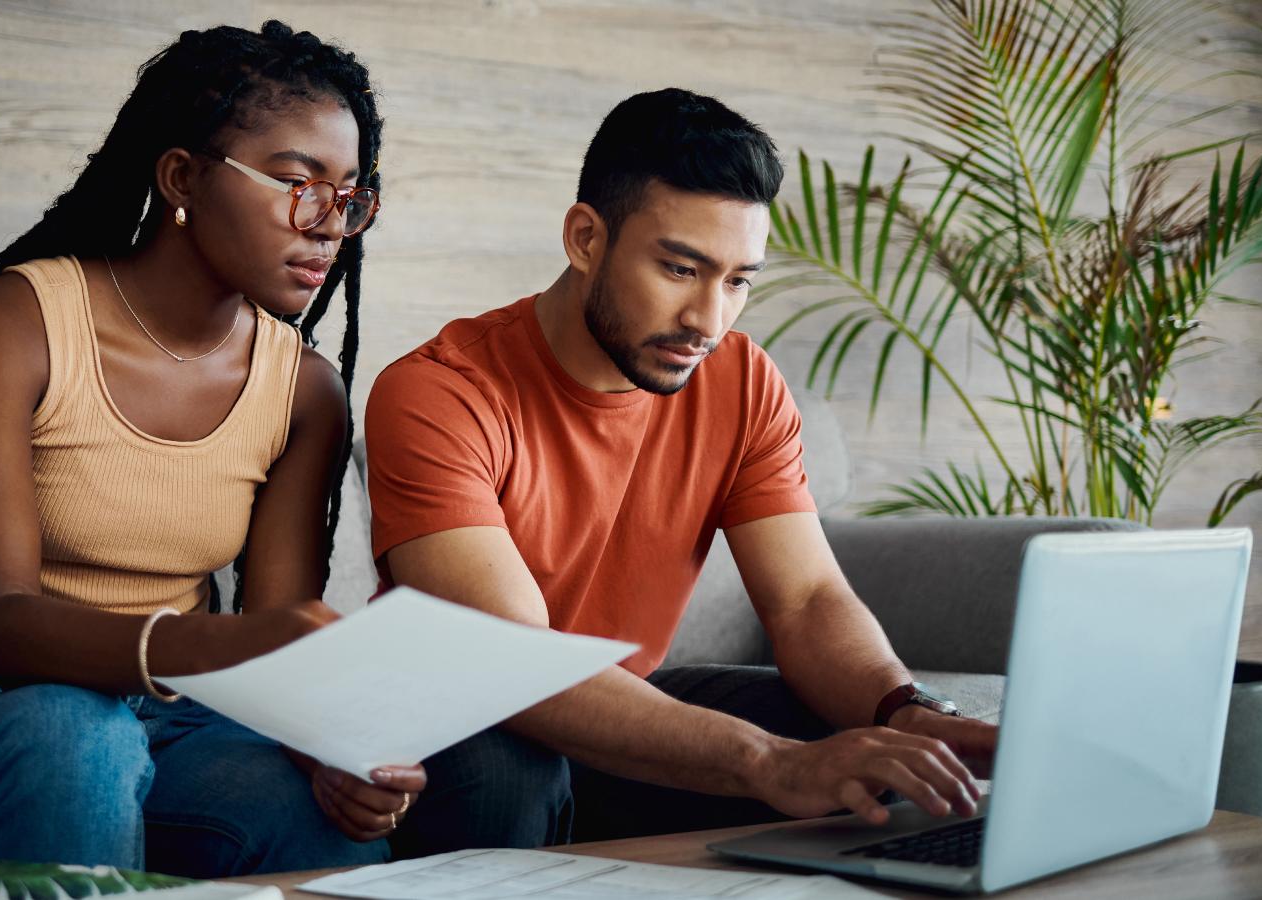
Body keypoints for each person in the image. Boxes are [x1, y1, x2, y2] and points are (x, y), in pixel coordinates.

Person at [0, 21, 425, 877]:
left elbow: (277, 635)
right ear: (182, 178)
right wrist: (225, 649)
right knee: (78, 735)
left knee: (324, 824)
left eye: (348, 196)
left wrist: (329, 757)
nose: (327, 225)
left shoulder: (305, 391)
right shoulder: (14, 324)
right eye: (296, 182)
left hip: (176, 724)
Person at [365, 88, 999, 854]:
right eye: (679, 269)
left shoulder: (743, 381)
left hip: (623, 714)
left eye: (738, 281)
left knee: (868, 745)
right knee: (514, 774)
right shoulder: (439, 392)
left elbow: (805, 601)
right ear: (585, 238)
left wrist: (906, 711)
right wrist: (768, 763)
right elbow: (516, 667)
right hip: (464, 720)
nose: (708, 319)